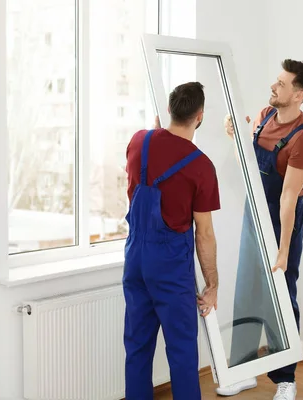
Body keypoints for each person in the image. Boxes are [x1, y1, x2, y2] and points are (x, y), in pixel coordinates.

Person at [216, 59, 303, 400]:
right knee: (247, 291)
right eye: (276, 81)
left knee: (281, 296)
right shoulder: (263, 116)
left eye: (282, 83)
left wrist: (284, 250)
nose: (274, 87)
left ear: (298, 94)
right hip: (254, 211)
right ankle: (244, 369)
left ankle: (286, 378)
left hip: (281, 219)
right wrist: (236, 137)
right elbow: (246, 166)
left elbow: (288, 198)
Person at [123, 81, 220, 400]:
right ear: (200, 116)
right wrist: (212, 283)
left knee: (137, 348)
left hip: (135, 259)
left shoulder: (140, 141)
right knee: (181, 353)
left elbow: (138, 183)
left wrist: (155, 135)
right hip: (170, 267)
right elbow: (203, 233)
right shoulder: (202, 166)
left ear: (168, 109)